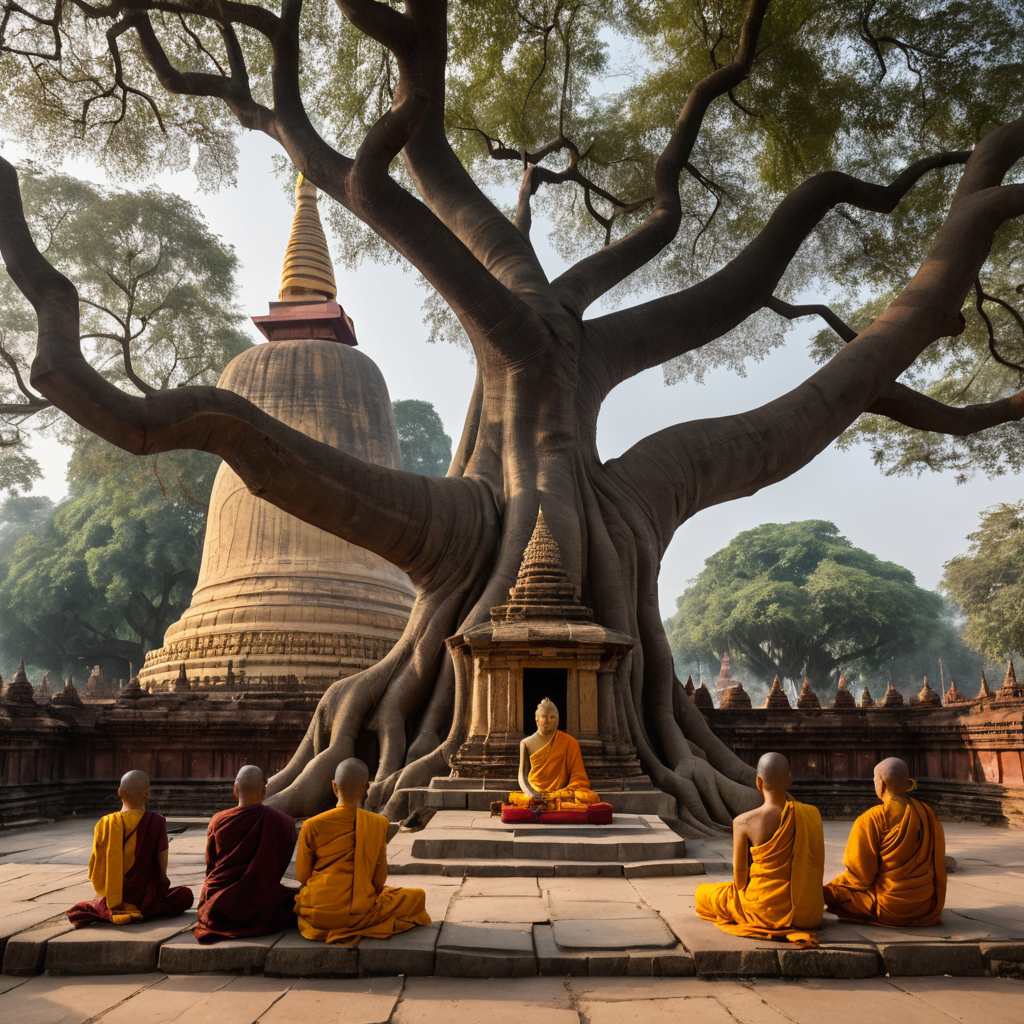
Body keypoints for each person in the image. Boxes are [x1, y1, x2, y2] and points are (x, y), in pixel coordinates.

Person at [294, 758, 431, 945]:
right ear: (367, 788)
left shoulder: (311, 825)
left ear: (334, 787)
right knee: (417, 896)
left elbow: (302, 875)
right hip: (361, 910)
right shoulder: (378, 823)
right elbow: (378, 881)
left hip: (317, 912)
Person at [695, 752, 824, 946]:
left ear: (758, 782)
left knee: (704, 894)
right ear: (789, 779)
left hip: (764, 911)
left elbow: (739, 880)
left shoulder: (743, 822)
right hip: (809, 914)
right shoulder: (811, 814)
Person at [824, 757, 946, 927]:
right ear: (907, 783)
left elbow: (860, 877)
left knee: (831, 893)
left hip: (889, 907)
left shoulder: (872, 818)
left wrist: (831, 887)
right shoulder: (926, 812)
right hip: (925, 905)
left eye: (874, 780)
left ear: (881, 783)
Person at [67, 770, 193, 927]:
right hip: (145, 897)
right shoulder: (156, 821)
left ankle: (106, 909)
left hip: (113, 896)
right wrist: (159, 890)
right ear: (147, 794)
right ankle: (138, 910)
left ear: (119, 792)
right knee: (185, 895)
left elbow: (95, 871)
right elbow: (162, 869)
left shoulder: (104, 823)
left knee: (85, 907)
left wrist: (110, 893)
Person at [194, 765, 298, 943]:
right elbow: (280, 864)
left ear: (235, 789)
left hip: (219, 905)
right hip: (262, 901)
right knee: (297, 900)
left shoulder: (218, 820)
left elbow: (211, 865)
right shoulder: (283, 822)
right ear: (264, 790)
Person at [506, 697, 602, 810]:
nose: (548, 720)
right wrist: (531, 793)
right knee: (525, 800)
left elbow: (578, 778)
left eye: (552, 717)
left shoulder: (569, 742)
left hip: (559, 793)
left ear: (557, 721)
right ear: (537, 719)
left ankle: (549, 801)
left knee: (588, 797)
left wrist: (559, 794)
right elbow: (522, 776)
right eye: (544, 717)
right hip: (535, 790)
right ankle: (546, 802)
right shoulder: (526, 743)